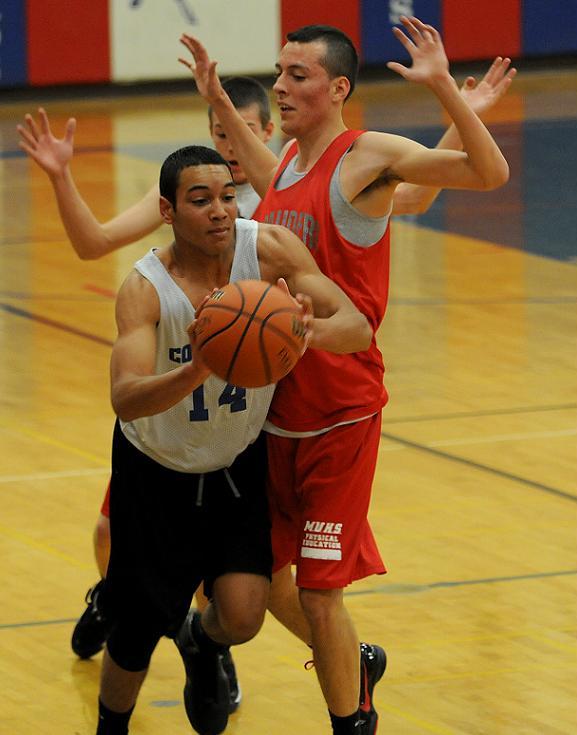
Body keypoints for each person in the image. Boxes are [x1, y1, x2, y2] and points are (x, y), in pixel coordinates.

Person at [179, 14, 510, 735]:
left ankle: (353, 719)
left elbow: (488, 173)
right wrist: (215, 93)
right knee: (255, 593)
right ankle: (208, 642)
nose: (280, 86)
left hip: (339, 417)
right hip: (271, 415)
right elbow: (261, 174)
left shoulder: (366, 156)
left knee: (322, 592)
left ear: (335, 89)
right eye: (278, 73)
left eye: (296, 76)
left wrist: (444, 96)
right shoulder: (290, 169)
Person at [16, 76, 275, 708]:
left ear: (266, 132)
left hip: (245, 413)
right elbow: (92, 244)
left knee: (242, 582)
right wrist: (60, 177)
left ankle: (206, 646)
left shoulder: (278, 209)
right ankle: (121, 607)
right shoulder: (189, 198)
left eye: (238, 132)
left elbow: (386, 207)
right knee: (112, 534)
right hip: (166, 422)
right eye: (217, 131)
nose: (228, 146)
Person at [97, 143, 372, 735]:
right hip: (155, 470)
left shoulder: (268, 248)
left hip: (236, 466)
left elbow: (355, 327)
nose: (220, 210)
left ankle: (200, 642)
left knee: (244, 616)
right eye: (200, 200)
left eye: (227, 196)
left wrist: (304, 331)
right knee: (138, 629)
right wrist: (198, 366)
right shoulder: (146, 289)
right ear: (168, 212)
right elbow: (125, 397)